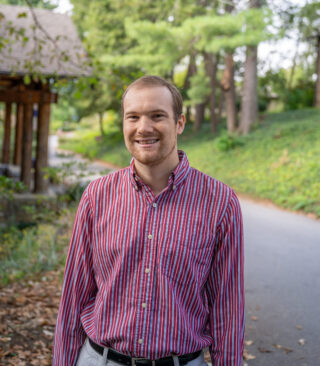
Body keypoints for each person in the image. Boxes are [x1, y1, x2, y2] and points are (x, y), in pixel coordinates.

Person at [53, 75, 244, 366]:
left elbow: (227, 311)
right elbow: (73, 299)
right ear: (124, 124)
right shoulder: (97, 196)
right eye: (133, 117)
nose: (144, 128)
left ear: (179, 123)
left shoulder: (220, 203)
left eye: (157, 116)